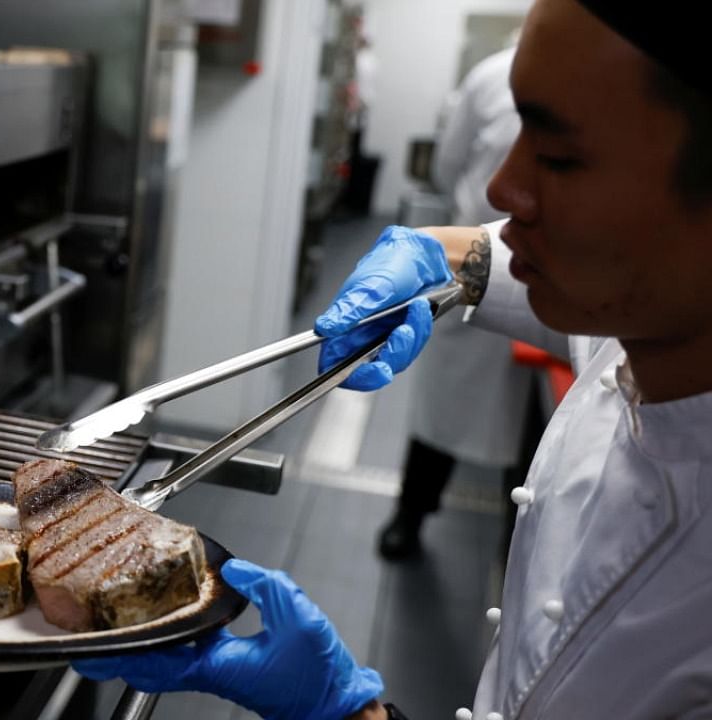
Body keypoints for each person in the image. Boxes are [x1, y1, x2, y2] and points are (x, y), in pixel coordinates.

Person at [75, 0, 712, 717]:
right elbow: (504, 248)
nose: (501, 189)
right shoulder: (644, 323)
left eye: (559, 156)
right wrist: (438, 252)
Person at [377, 42, 536, 559]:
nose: (509, 185)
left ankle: (516, 549)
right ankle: (411, 514)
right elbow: (448, 167)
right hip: (476, 267)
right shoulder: (492, 75)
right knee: (444, 410)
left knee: (537, 446)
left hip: (548, 279)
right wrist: (451, 252)